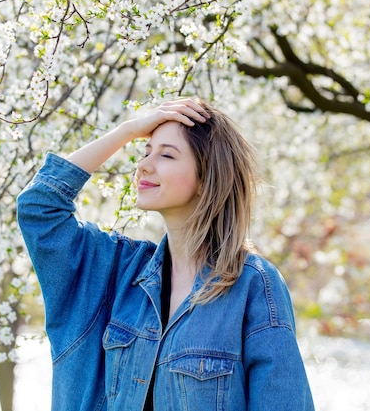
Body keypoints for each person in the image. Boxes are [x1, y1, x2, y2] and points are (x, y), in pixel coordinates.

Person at [17, 97, 315, 411]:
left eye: (166, 155)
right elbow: (39, 208)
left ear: (206, 177)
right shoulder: (118, 273)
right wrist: (128, 130)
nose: (144, 164)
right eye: (146, 152)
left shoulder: (253, 286)